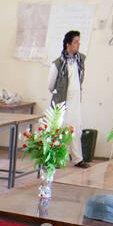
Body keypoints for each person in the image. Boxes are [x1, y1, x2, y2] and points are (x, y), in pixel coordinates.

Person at [46, 30, 88, 168]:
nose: (78, 44)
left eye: (79, 42)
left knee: (76, 128)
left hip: (75, 100)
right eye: (76, 42)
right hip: (62, 101)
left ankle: (77, 159)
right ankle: (57, 158)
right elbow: (50, 86)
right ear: (68, 44)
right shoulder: (57, 64)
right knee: (59, 129)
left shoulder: (80, 60)